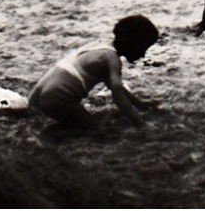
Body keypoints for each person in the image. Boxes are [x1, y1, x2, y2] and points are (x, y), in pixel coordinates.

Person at [29, 15, 159, 139]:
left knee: (86, 121)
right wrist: (141, 125)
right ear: (131, 43)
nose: (143, 55)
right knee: (96, 133)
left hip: (41, 95)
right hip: (59, 99)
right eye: (143, 49)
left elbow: (113, 86)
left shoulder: (99, 46)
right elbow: (118, 95)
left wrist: (140, 104)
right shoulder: (112, 59)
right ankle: (49, 133)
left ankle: (54, 127)